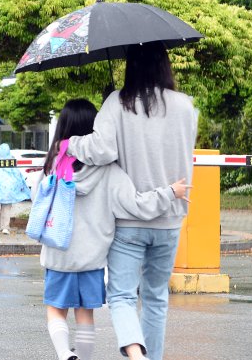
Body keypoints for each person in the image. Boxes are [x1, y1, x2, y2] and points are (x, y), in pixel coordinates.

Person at [66, 43, 198, 360]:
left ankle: (136, 353)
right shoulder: (185, 106)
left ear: (131, 67)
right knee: (155, 297)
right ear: (164, 65)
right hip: (170, 217)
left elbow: (101, 151)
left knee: (122, 295)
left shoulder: (117, 102)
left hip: (128, 219)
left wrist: (71, 143)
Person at [37, 99, 189, 360]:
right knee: (85, 313)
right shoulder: (109, 171)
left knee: (55, 309)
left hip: (58, 253)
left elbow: (37, 197)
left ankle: (64, 354)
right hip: (92, 259)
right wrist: (169, 192)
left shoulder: (53, 163)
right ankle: (82, 357)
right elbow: (137, 205)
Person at [0, 143, 31, 234]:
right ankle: (5, 227)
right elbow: (17, 173)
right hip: (8, 188)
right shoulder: (10, 158)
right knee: (6, 208)